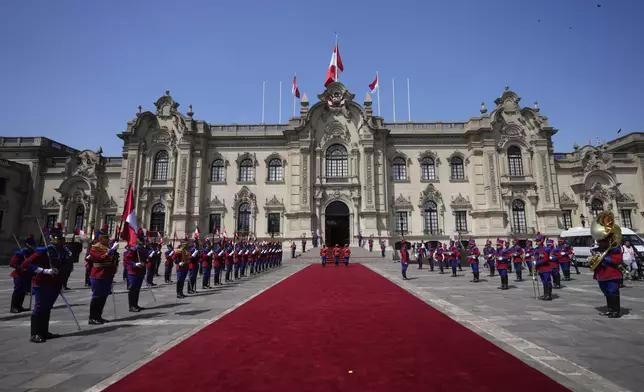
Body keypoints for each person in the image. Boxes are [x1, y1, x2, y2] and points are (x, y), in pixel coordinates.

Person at [21, 224, 68, 343]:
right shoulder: (43, 250)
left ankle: (44, 331)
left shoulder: (61, 251)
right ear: (52, 238)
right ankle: (35, 333)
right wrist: (44, 270)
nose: (61, 240)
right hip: (42, 283)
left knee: (47, 308)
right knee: (39, 307)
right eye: (59, 237)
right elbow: (26, 264)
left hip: (55, 283)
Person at [590, 212, 623, 318]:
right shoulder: (598, 250)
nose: (599, 244)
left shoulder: (614, 249)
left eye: (601, 243)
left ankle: (615, 311)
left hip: (612, 274)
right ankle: (610, 309)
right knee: (607, 292)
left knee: (613, 292)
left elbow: (618, 260)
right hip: (602, 275)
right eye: (599, 243)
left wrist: (605, 258)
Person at [87, 228, 119, 324]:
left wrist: (114, 253)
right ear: (100, 238)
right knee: (97, 297)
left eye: (108, 237)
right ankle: (92, 317)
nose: (108, 239)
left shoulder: (107, 247)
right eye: (105, 237)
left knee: (103, 297)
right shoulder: (95, 247)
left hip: (107, 275)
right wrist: (112, 250)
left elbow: (113, 259)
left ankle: (98, 316)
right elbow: (101, 258)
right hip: (98, 275)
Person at [9, 234, 35, 313]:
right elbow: (12, 263)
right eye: (30, 244)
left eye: (33, 245)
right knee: (18, 291)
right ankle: (13, 307)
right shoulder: (20, 253)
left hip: (28, 275)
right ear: (27, 244)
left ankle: (19, 306)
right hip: (19, 275)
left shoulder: (33, 253)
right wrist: (21, 267)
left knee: (23, 291)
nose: (32, 246)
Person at [123, 231, 147, 312]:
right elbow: (126, 259)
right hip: (133, 272)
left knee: (137, 289)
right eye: (142, 240)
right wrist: (134, 264)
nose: (144, 241)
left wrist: (144, 262)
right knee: (133, 289)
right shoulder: (133, 249)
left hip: (141, 271)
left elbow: (145, 258)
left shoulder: (143, 248)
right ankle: (131, 306)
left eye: (143, 239)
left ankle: (135, 304)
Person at [534, 233, 553, 301]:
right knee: (544, 282)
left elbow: (545, 259)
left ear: (542, 241)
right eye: (536, 241)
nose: (537, 242)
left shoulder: (545, 249)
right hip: (540, 268)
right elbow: (535, 258)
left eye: (538, 241)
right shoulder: (536, 249)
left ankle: (549, 295)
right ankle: (545, 294)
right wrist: (535, 268)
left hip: (546, 268)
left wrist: (537, 262)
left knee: (547, 281)